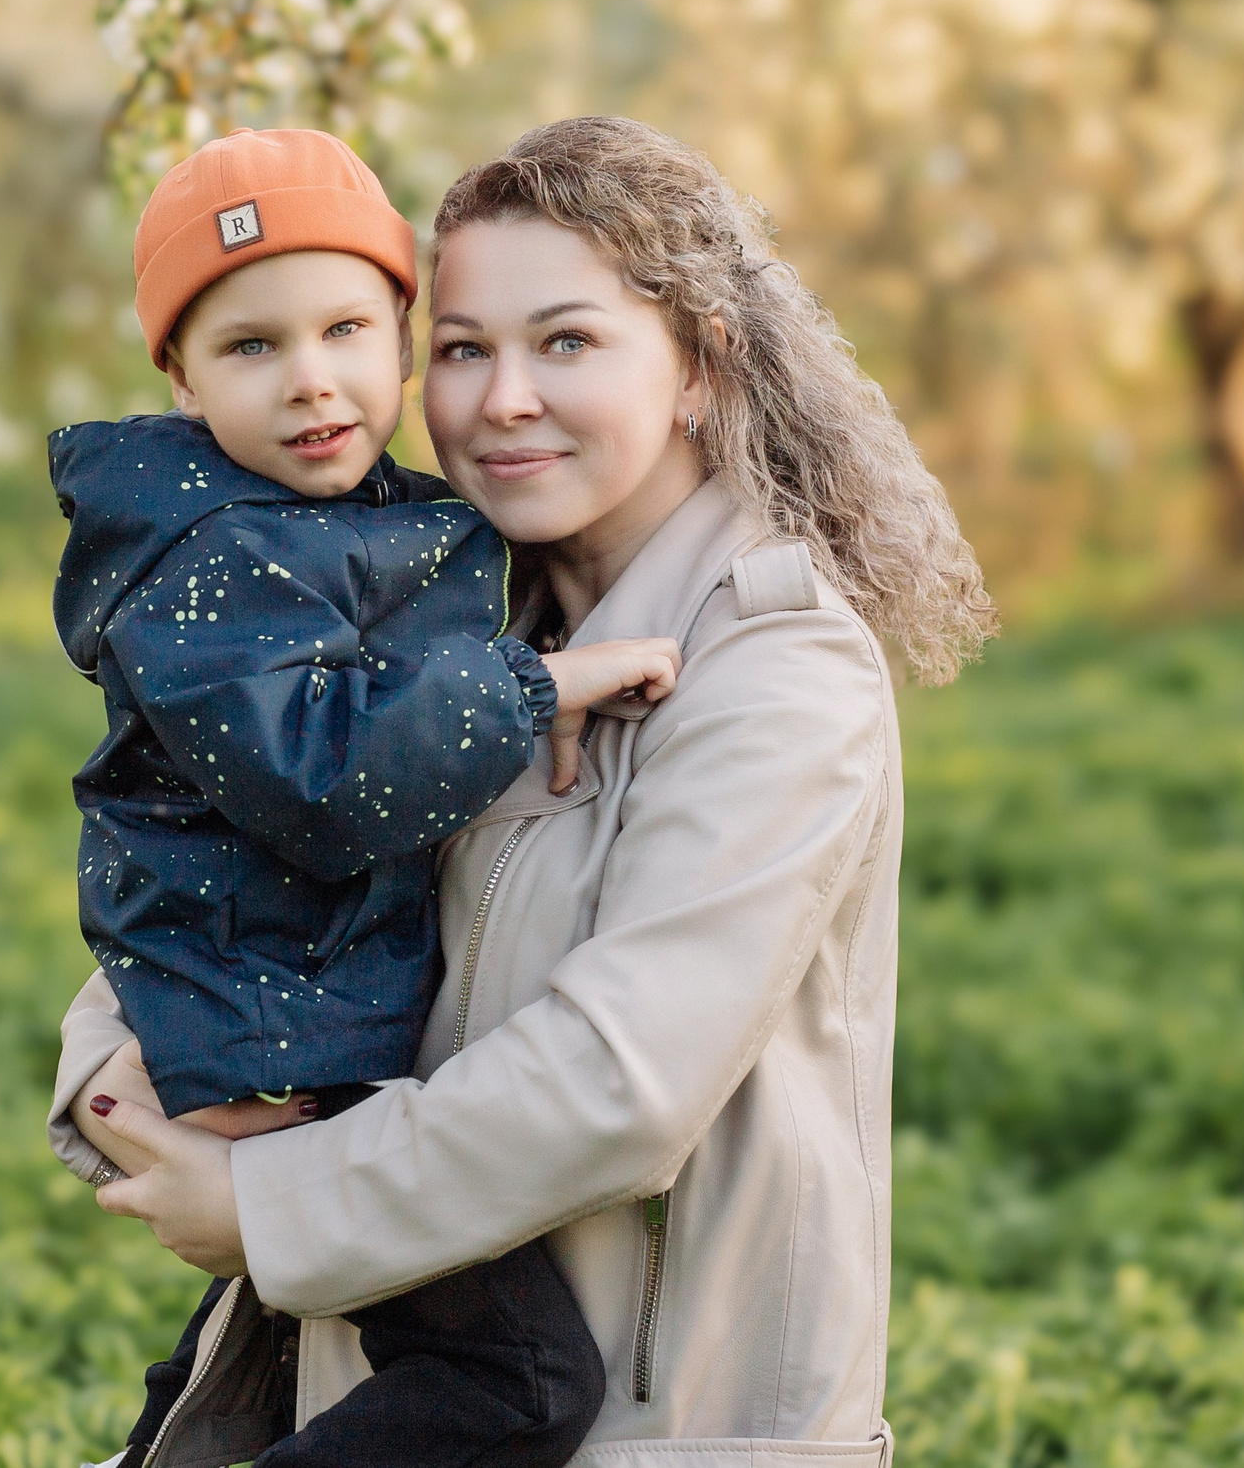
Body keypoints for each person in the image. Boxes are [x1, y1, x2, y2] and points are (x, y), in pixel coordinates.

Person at [50, 117, 997, 1467]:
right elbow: (226, 861)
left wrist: (272, 1204)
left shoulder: (775, 666)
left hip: (651, 1428)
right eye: (464, 348)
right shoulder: (445, 625)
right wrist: (117, 1089)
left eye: (567, 342)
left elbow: (621, 1081)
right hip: (380, 1390)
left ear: (698, 371)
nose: (502, 399)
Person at [49, 125, 684, 1468]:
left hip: (300, 1011)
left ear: (404, 328)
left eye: (346, 327)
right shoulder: (210, 553)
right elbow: (328, 776)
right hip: (282, 1037)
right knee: (511, 1385)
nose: (312, 382)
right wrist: (537, 692)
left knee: (248, 1360)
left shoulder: (347, 516)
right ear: (177, 376)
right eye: (250, 347)